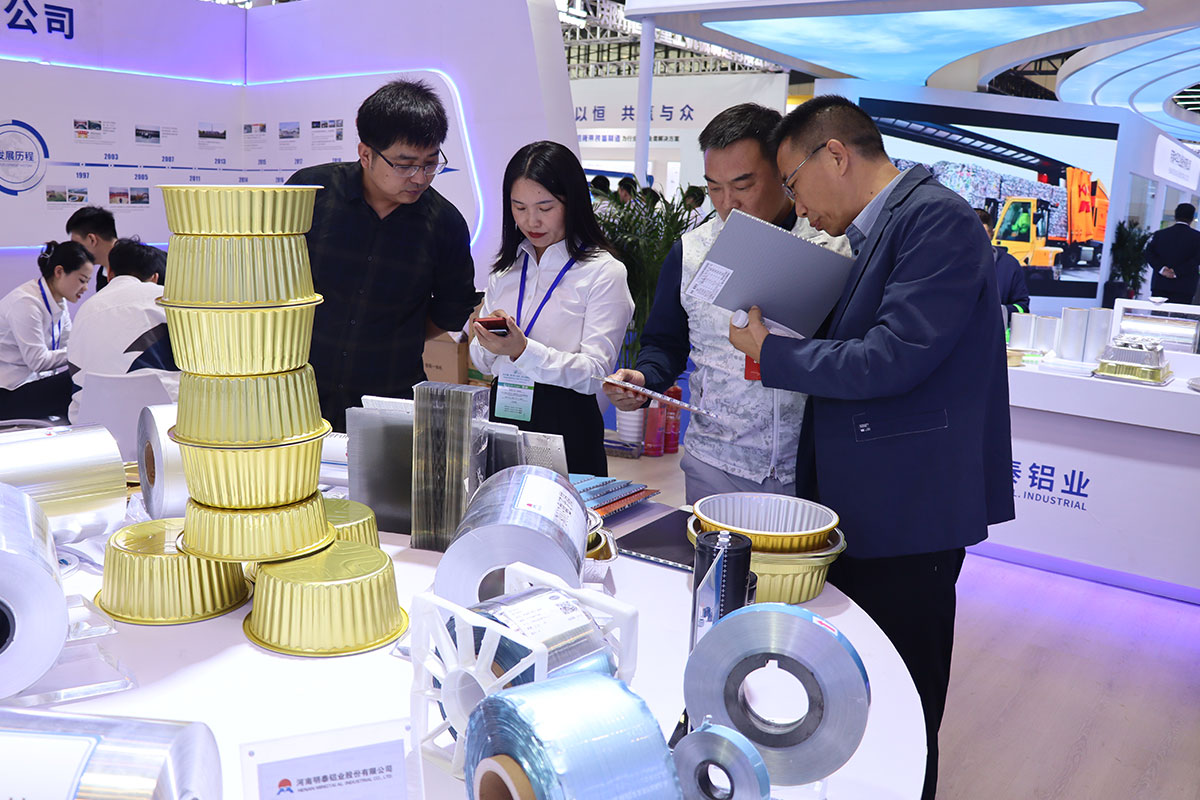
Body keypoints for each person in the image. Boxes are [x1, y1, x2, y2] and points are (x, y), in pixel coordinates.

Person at [729, 95, 1013, 800]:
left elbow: (893, 357)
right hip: (871, 501)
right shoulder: (883, 229)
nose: (797, 207)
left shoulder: (936, 219)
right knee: (856, 687)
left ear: (835, 154)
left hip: (909, 509)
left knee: (904, 696)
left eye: (792, 183)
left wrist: (774, 354)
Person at [603, 103, 850, 503]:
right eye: (714, 188)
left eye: (742, 185)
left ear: (781, 171)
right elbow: (665, 343)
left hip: (809, 468)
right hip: (714, 464)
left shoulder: (834, 246)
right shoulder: (691, 252)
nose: (726, 202)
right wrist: (645, 378)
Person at [287, 79, 479, 431]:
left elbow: (451, 311)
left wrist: (392, 333)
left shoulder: (444, 223)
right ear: (366, 154)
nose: (420, 178)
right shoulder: (309, 194)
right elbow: (270, 276)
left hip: (388, 401)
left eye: (430, 163)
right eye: (405, 164)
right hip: (294, 394)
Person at [470, 141, 633, 476]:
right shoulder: (506, 270)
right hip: (503, 417)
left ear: (572, 202)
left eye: (545, 207)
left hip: (567, 423)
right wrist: (487, 341)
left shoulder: (604, 272)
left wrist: (522, 350)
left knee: (564, 507)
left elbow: (595, 373)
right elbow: (479, 361)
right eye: (519, 207)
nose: (531, 220)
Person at [67, 238, 178, 423]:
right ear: (155, 278)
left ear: (110, 273)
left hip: (92, 421)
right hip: (161, 418)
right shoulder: (167, 298)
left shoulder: (86, 309)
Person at [0, 241, 93, 420]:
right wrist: (81, 350)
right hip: (8, 393)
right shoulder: (26, 302)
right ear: (59, 272)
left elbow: (69, 342)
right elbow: (38, 361)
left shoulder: (59, 300)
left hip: (31, 384)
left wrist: (83, 351)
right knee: (74, 379)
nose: (85, 288)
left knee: (84, 374)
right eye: (82, 280)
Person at [975, 207, 1030, 318]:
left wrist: (999, 311)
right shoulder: (949, 264)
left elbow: (1022, 307)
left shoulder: (1010, 266)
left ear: (992, 234)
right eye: (972, 232)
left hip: (994, 328)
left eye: (983, 233)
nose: (977, 238)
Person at [1144, 202, 1200, 304]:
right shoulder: (1197, 237)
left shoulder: (1160, 234)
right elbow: (1197, 259)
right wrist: (1177, 272)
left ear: (1175, 216)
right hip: (1185, 286)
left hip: (1160, 283)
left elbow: (1149, 254)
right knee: (1179, 313)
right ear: (1192, 218)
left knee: (1158, 313)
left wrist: (1162, 269)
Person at [66, 205, 118, 291]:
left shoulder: (137, 267)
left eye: (77, 245)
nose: (76, 251)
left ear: (92, 240)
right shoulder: (102, 274)